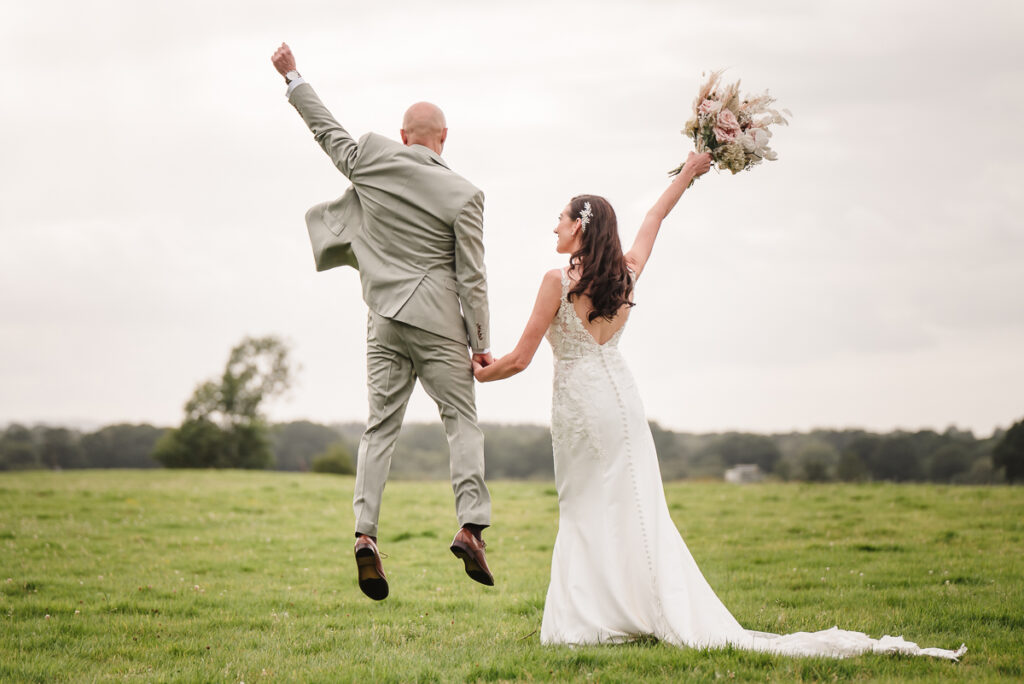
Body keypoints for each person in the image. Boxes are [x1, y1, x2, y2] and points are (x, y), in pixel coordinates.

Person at [472, 153, 966, 659]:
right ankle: (629, 607)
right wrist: (687, 174)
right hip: (619, 401)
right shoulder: (627, 273)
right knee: (634, 506)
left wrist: (478, 371)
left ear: (579, 226)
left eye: (560, 218)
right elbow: (654, 218)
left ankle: (591, 616)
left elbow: (519, 360)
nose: (554, 226)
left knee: (583, 506)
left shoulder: (558, 281)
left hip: (579, 406)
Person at [271, 43, 494, 601]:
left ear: (403, 134)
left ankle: (365, 534)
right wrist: (481, 343)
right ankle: (470, 527)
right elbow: (473, 277)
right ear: (444, 140)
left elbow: (327, 131)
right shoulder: (465, 193)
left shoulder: (372, 156)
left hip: (383, 322)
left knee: (379, 430)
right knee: (460, 422)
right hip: (440, 324)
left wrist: (294, 75)